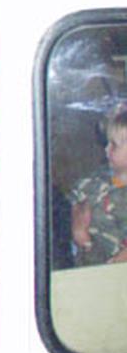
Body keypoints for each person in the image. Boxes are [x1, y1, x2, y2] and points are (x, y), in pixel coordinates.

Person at [69, 107, 127, 266]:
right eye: (106, 143)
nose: (106, 149)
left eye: (114, 145)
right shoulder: (90, 187)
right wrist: (83, 239)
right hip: (97, 273)